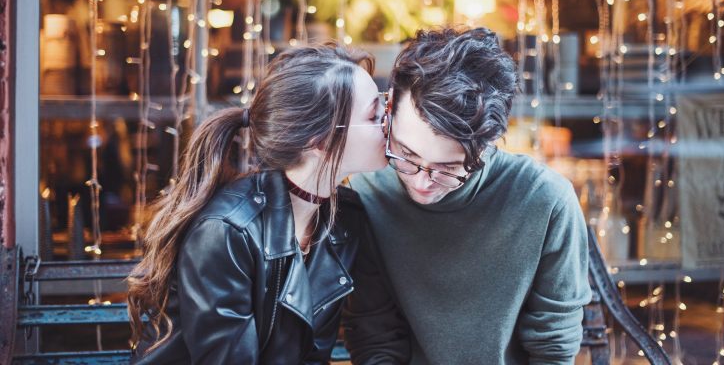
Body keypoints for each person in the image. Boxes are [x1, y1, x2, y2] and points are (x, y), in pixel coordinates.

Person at [342, 27, 592, 364]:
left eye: (448, 168)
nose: (422, 182)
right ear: (388, 112)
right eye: (406, 155)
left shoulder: (546, 200)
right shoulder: (366, 192)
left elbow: (553, 348)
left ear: (489, 143)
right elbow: (375, 337)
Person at [128, 44, 388, 364]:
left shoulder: (345, 218)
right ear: (318, 141)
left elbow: (372, 332)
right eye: (375, 115)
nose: (388, 125)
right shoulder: (227, 231)